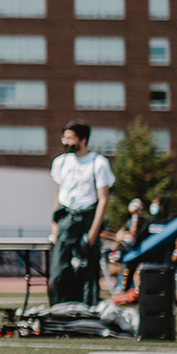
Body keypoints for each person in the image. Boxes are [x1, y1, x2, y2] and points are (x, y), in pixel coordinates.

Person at [49, 120, 114, 306]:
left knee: (87, 267)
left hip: (87, 218)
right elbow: (58, 194)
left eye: (70, 138)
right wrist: (55, 224)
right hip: (66, 218)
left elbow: (103, 199)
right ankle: (60, 306)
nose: (66, 142)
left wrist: (94, 231)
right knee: (60, 268)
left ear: (83, 140)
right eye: (64, 137)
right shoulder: (60, 162)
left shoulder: (98, 163)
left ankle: (87, 307)